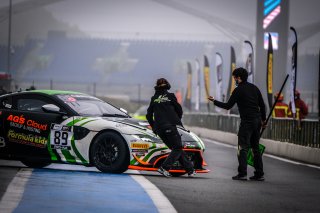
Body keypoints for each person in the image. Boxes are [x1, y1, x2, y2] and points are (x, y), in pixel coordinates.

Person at [208, 67, 266, 181]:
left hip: (247, 122)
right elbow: (262, 105)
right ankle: (259, 174)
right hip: (257, 121)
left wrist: (214, 101)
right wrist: (263, 120)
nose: (234, 79)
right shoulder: (254, 88)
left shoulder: (238, 90)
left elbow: (228, 106)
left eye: (234, 77)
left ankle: (242, 173)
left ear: (238, 78)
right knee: (255, 148)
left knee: (243, 148)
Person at [146, 78, 196, 177]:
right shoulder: (170, 96)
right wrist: (176, 119)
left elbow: (148, 115)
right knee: (177, 147)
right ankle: (164, 168)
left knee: (176, 148)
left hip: (159, 129)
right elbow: (179, 110)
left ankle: (190, 170)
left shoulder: (154, 98)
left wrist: (154, 127)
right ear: (167, 85)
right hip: (169, 127)